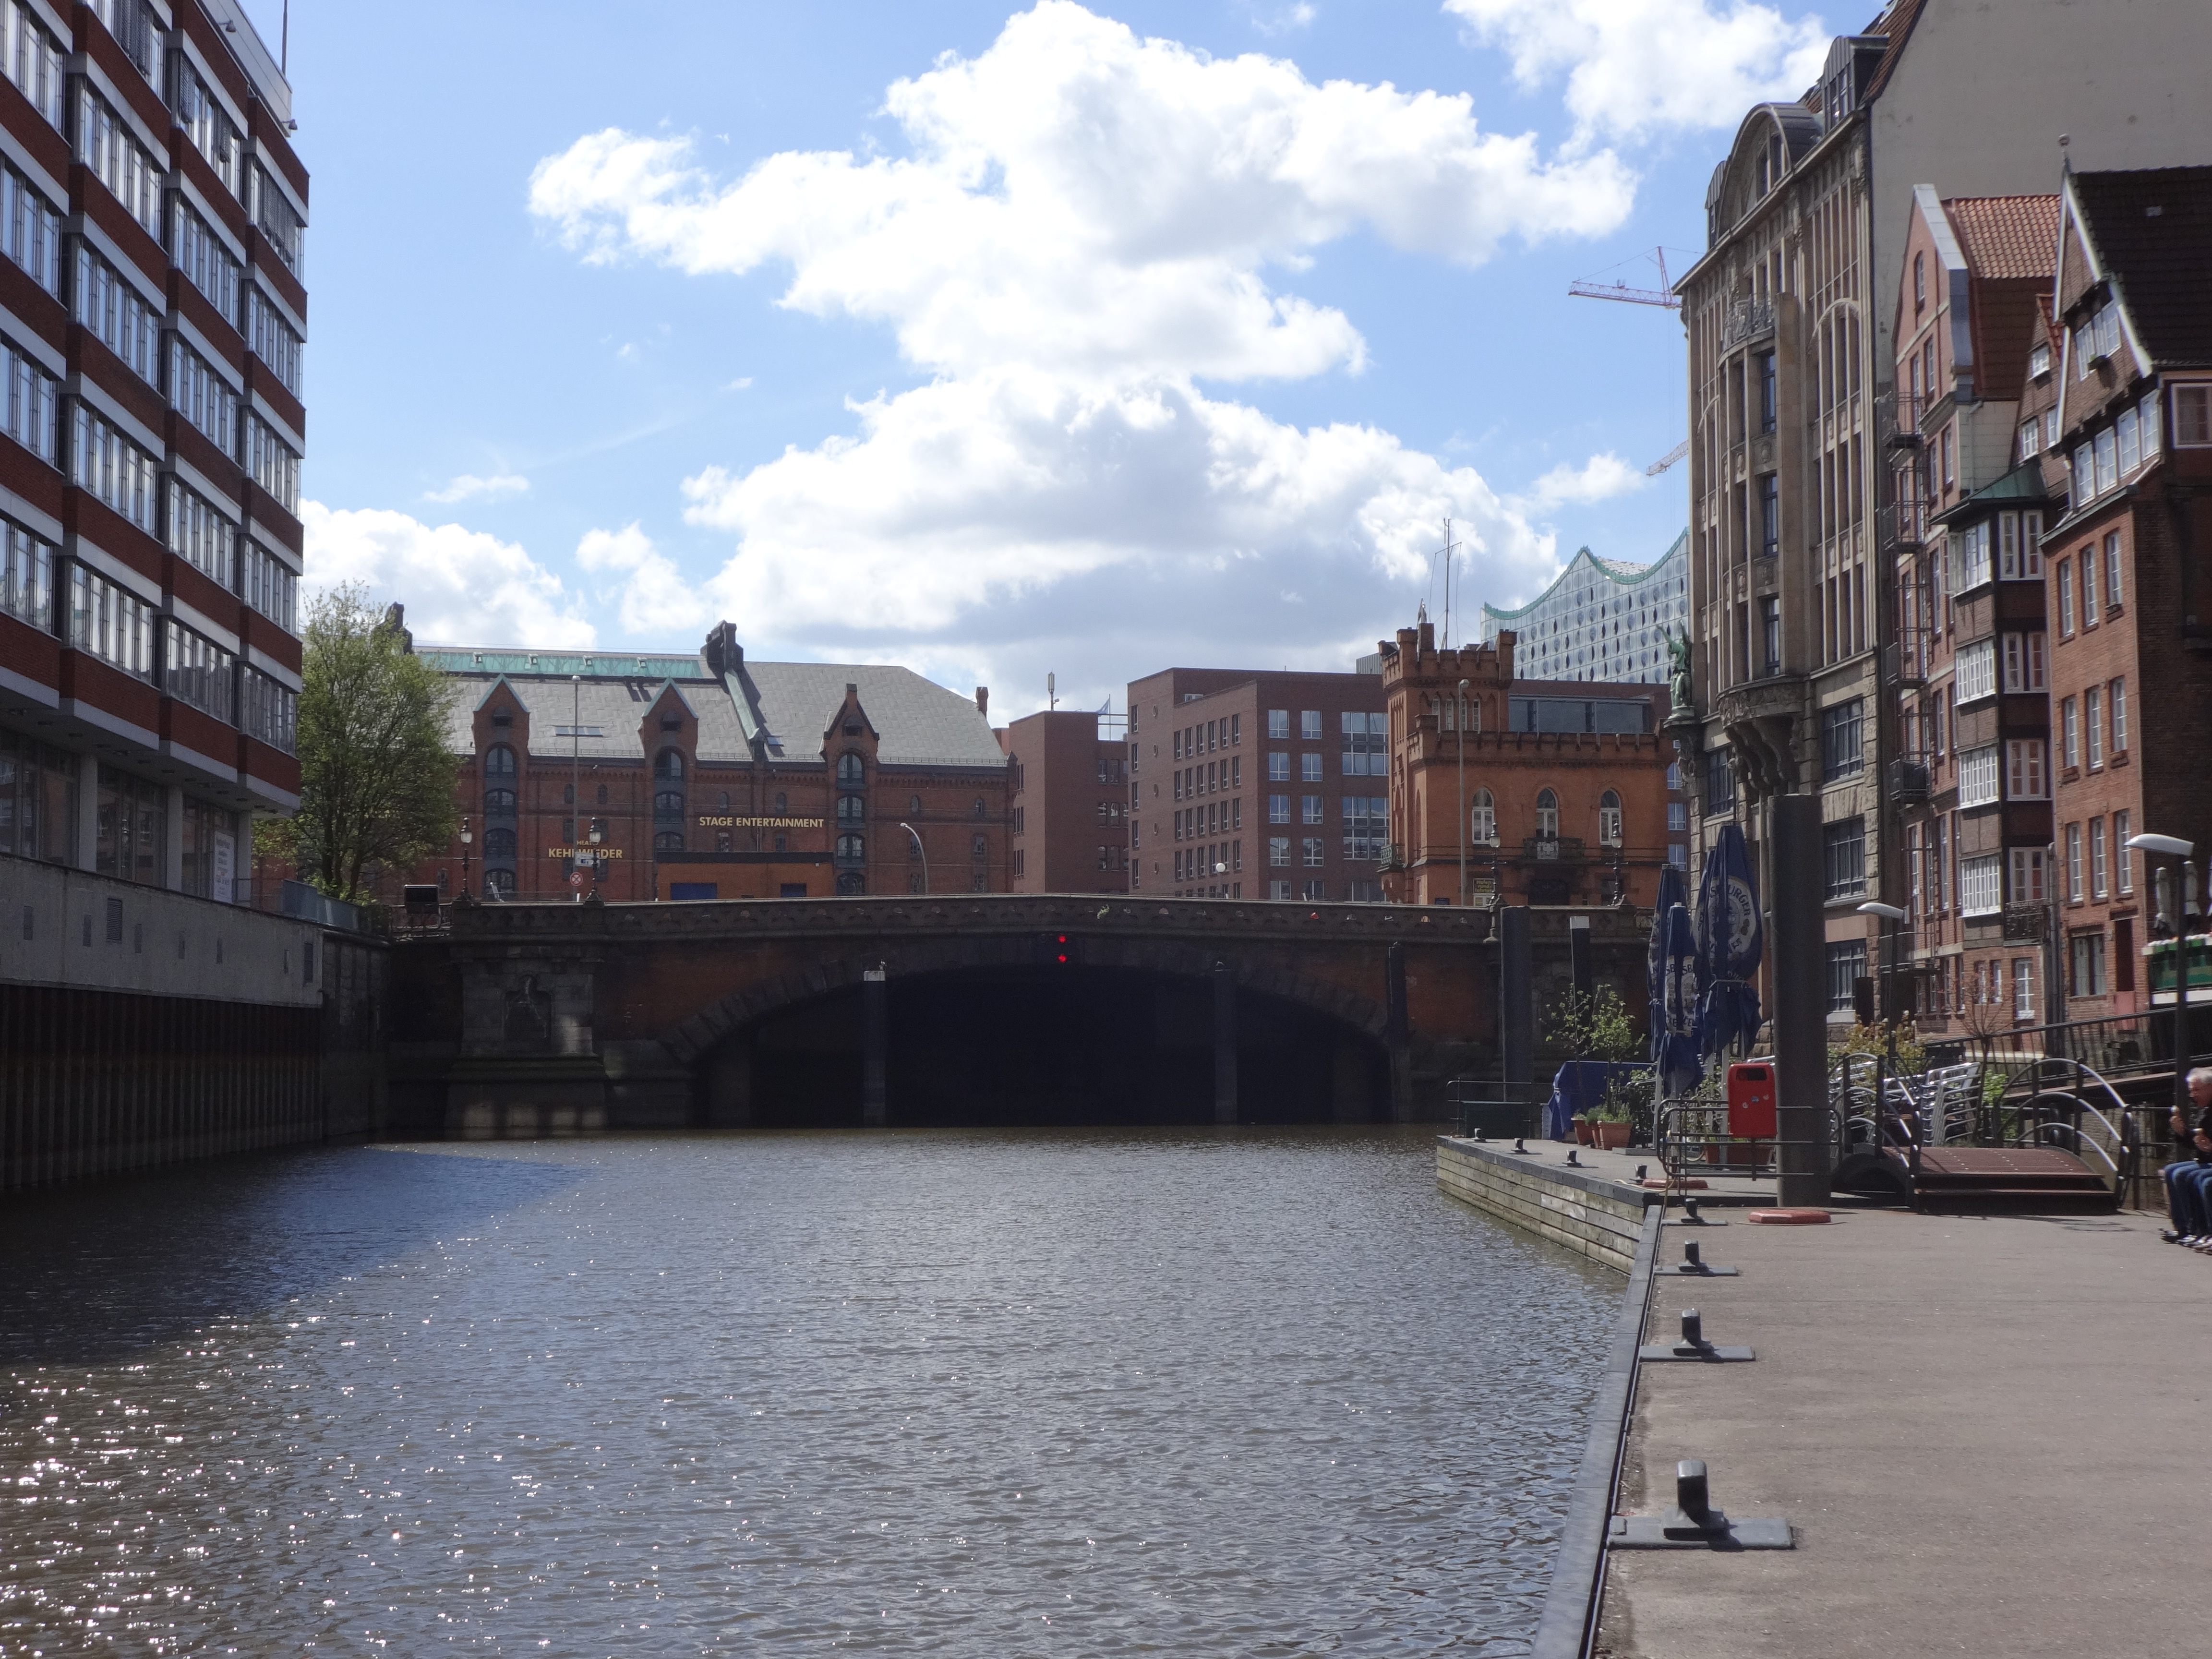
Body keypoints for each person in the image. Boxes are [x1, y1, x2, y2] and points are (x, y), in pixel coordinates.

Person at [2159, 1067, 2212, 1247]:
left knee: (2191, 1177)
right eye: (2191, 1090)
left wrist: (2209, 1148)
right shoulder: (2206, 1109)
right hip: (2206, 1159)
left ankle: (2201, 1231)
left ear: (2210, 1087)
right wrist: (2182, 1132)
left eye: (2196, 1090)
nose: (2192, 1095)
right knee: (2171, 1170)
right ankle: (2183, 1229)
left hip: (2208, 1161)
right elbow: (2199, 1143)